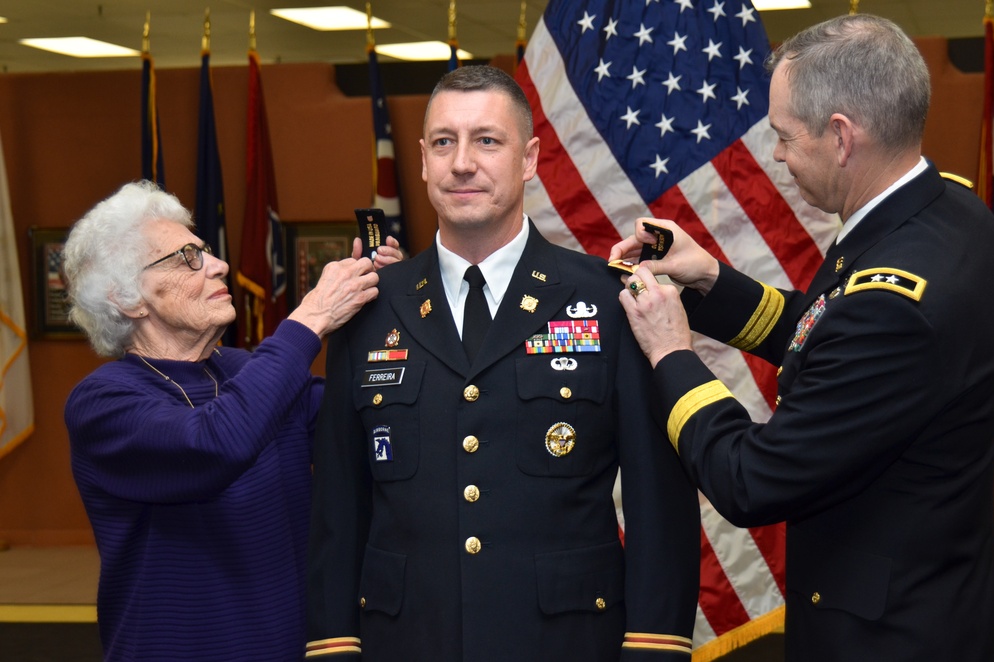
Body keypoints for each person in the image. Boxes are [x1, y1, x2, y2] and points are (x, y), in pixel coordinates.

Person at [610, 14, 994, 662]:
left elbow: (750, 480)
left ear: (842, 137)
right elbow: (830, 334)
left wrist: (671, 352)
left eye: (785, 137)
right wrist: (709, 278)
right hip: (942, 599)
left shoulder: (894, 303)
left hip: (886, 639)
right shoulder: (951, 214)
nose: (779, 155)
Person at [305, 65, 700, 661]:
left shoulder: (604, 300)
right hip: (407, 642)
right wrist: (334, 647)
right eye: (444, 142)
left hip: (564, 643)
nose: (462, 162)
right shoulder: (366, 306)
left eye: (487, 140)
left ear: (529, 157)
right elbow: (339, 503)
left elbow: (658, 503)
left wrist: (654, 649)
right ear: (421, 159)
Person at [62, 180, 400, 661]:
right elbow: (215, 444)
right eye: (187, 258)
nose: (220, 265)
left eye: (206, 251)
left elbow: (368, 424)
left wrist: (399, 307)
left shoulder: (245, 369)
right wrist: (310, 318)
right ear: (128, 299)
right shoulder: (101, 402)